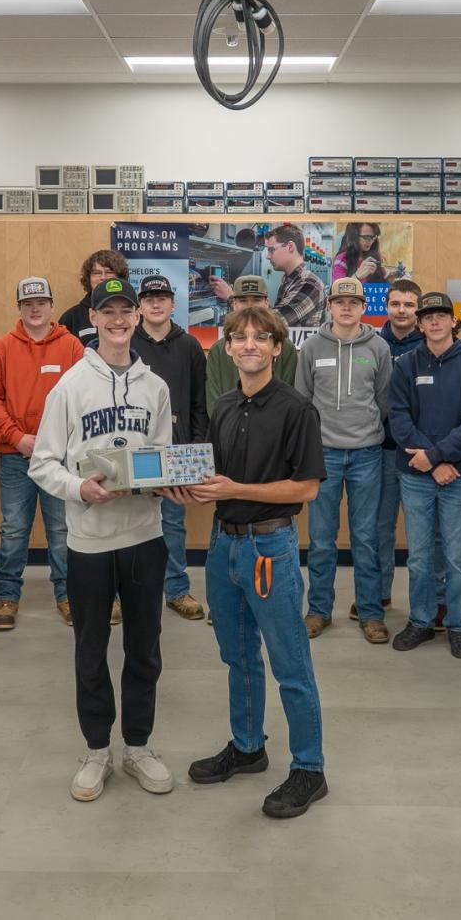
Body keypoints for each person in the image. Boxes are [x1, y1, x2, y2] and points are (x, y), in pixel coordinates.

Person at [168, 304, 330, 819]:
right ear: (229, 347)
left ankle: (309, 768)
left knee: (290, 664)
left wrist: (237, 488)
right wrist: (181, 489)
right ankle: (247, 746)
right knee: (237, 656)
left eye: (262, 338)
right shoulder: (224, 406)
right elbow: (211, 475)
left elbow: (306, 487)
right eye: (240, 338)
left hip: (270, 549)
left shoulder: (297, 410)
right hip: (223, 547)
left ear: (278, 348)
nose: (251, 345)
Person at [29, 277, 175, 802]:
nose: (117, 320)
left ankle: (138, 746)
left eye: (126, 311)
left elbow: (162, 457)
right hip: (89, 541)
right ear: (91, 318)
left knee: (145, 649)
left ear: (138, 317)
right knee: (90, 650)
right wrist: (79, 489)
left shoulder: (155, 387)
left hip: (144, 536)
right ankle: (96, 750)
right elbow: (42, 463)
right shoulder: (69, 387)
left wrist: (167, 482)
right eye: (106, 311)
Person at [387, 292, 461, 658]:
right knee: (419, 556)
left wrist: (438, 457)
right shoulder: (406, 365)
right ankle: (421, 620)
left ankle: (458, 625)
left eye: (441, 315)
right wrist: (430, 460)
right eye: (427, 316)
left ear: (453, 321)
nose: (434, 321)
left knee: (458, 557)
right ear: (420, 323)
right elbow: (398, 417)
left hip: (459, 476)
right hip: (415, 476)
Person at [0, 276, 83, 629]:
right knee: (13, 529)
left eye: (41, 303)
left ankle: (68, 594)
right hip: (15, 456)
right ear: (19, 308)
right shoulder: (2, 348)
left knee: (62, 529)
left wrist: (57, 442)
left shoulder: (71, 347)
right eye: (28, 304)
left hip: (60, 459)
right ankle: (7, 597)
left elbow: (83, 399)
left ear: (52, 306)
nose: (35, 309)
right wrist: (16, 437)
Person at [295, 277, 392, 640]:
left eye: (354, 303)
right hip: (324, 456)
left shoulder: (378, 347)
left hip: (367, 454)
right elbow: (303, 400)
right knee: (321, 539)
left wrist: (365, 428)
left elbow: (384, 401)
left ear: (364, 308)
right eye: (340, 302)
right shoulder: (311, 347)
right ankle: (319, 610)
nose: (346, 308)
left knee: (366, 538)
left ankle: (370, 614)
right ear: (330, 306)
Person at [132, 273, 209, 621]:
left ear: (173, 303)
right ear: (140, 306)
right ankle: (131, 591)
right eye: (149, 298)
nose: (156, 302)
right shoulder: (127, 342)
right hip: (136, 449)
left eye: (162, 297)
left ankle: (176, 589)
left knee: (173, 523)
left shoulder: (189, 346)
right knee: (131, 520)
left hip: (176, 451)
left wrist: (195, 449)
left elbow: (199, 403)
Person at [373, 279, 424, 620]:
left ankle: (428, 604)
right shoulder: (373, 342)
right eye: (396, 304)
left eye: (408, 304)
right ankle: (379, 595)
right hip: (385, 448)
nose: (402, 310)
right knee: (381, 527)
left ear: (417, 309)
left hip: (423, 453)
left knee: (423, 533)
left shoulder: (431, 344)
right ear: (386, 306)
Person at [205, 274, 298, 411]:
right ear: (234, 304)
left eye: (256, 300)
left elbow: (289, 399)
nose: (250, 307)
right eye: (243, 300)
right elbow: (214, 406)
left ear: (266, 304)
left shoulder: (285, 347)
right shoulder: (218, 350)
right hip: (230, 427)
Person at [61, 249, 129, 348]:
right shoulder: (72, 317)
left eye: (109, 272)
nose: (103, 277)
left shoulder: (130, 313)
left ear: (120, 277)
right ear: (88, 278)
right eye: (97, 273)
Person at [263, 224, 326, 328]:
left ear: (290, 247)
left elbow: (273, 323)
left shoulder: (309, 284)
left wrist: (231, 298)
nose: (268, 256)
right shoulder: (290, 281)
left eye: (271, 250)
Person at [331, 222, 404, 282]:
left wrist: (393, 276)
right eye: (366, 237)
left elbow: (383, 280)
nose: (371, 242)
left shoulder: (374, 255)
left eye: (373, 237)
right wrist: (357, 276)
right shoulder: (342, 260)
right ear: (353, 237)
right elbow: (338, 291)